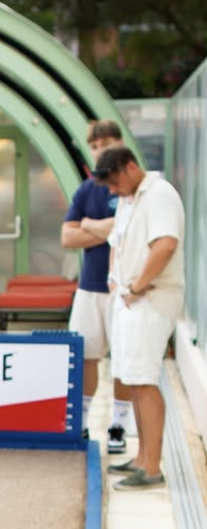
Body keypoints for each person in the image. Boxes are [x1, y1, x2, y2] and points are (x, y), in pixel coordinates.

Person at [93, 144, 185, 491]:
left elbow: (165, 246)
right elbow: (117, 242)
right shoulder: (130, 200)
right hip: (131, 299)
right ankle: (142, 456)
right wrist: (117, 281)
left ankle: (151, 467)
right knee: (132, 377)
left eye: (115, 183)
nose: (113, 192)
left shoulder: (159, 195)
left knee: (144, 380)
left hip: (151, 298)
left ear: (130, 167)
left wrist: (137, 286)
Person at [61, 118, 136, 453]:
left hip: (125, 289)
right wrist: (105, 226)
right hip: (89, 287)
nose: (99, 151)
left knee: (123, 359)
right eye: (93, 146)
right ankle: (83, 420)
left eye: (104, 144)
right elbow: (67, 236)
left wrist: (90, 225)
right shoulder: (86, 189)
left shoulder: (134, 187)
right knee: (87, 355)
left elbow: (131, 230)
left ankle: (118, 424)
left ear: (119, 144)